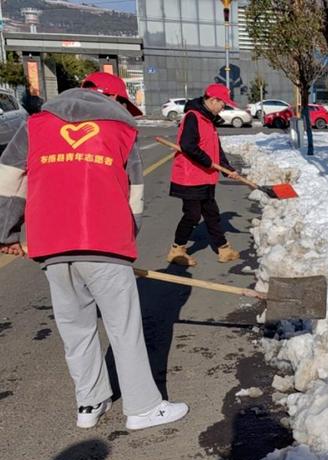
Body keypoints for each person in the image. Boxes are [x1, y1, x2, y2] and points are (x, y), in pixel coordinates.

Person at [0, 71, 188, 431]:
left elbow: (9, 177)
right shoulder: (122, 131)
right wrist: (124, 237)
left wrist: (5, 232)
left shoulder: (36, 125)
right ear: (115, 100)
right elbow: (134, 196)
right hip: (104, 241)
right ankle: (143, 407)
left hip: (52, 244)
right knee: (124, 328)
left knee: (76, 327)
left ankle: (90, 402)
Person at [166, 83, 241, 267]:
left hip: (206, 177)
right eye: (223, 103)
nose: (224, 107)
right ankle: (177, 250)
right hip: (190, 177)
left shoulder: (208, 120)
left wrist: (227, 168)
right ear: (213, 100)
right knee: (192, 215)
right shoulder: (193, 117)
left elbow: (216, 150)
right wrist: (208, 162)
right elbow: (188, 145)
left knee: (211, 214)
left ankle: (223, 248)